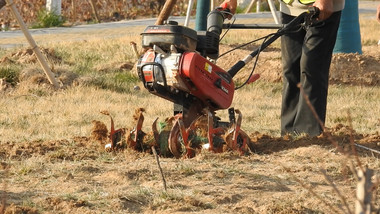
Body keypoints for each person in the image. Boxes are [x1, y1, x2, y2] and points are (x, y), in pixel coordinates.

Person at [220, 0, 345, 137]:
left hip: (322, 8)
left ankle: (309, 134)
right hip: (290, 7)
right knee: (290, 66)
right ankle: (288, 134)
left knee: (312, 65)